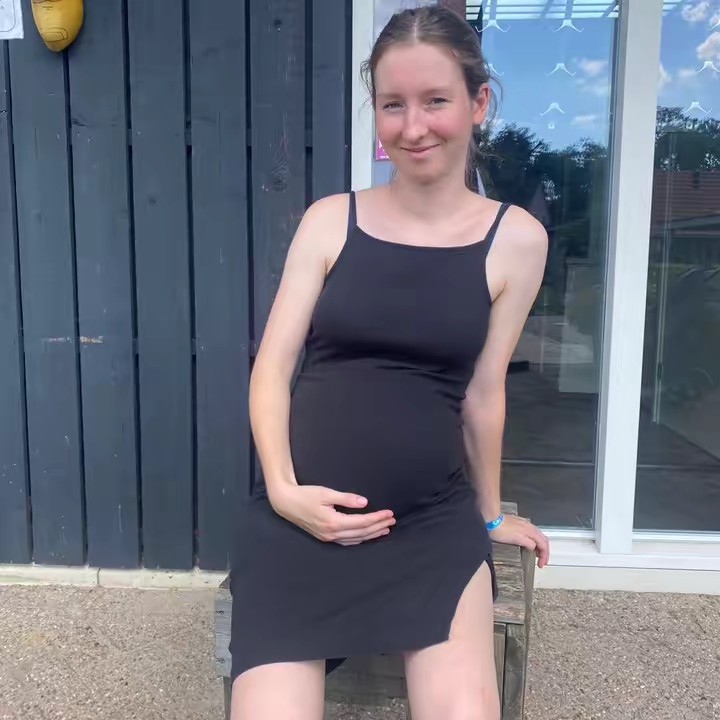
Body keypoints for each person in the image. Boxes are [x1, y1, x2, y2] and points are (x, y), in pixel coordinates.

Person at [229, 6, 550, 719]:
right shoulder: (329, 221)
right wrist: (282, 490)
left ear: (478, 103)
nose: (413, 126)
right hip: (299, 523)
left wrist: (490, 517)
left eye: (435, 100)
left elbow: (483, 394)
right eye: (392, 104)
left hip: (429, 528)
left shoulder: (516, 241)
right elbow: (272, 369)